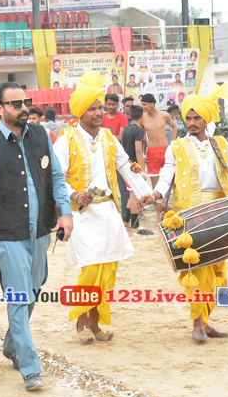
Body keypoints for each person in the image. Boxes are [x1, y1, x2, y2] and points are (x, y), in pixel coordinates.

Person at [0, 82, 74, 392]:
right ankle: (30, 369)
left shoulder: (41, 135)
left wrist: (66, 213)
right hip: (8, 235)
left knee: (35, 287)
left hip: (41, 231)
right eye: (16, 103)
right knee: (18, 298)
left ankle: (11, 343)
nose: (24, 107)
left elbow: (56, 178)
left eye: (25, 101)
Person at [151, 87, 228, 342]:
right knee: (197, 272)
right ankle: (198, 326)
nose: (192, 123)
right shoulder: (176, 147)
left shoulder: (221, 144)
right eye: (188, 118)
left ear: (206, 120)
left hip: (221, 214)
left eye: (197, 118)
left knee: (216, 273)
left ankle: (206, 322)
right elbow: (166, 177)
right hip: (189, 217)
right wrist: (155, 195)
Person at [53, 74, 154, 342]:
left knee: (108, 268)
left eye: (100, 108)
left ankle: (95, 324)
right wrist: (74, 195)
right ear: (80, 111)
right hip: (81, 215)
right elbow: (54, 177)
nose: (98, 113)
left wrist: (144, 193)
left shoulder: (108, 137)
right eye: (92, 108)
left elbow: (126, 166)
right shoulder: (66, 140)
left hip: (107, 211)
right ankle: (81, 320)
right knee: (91, 268)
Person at [138, 93, 177, 185]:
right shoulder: (142, 119)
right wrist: (142, 153)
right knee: (154, 181)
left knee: (170, 178)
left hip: (165, 149)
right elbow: (141, 137)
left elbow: (174, 127)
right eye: (141, 104)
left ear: (152, 104)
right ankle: (156, 195)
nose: (142, 107)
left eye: (144, 104)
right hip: (151, 151)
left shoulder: (164, 115)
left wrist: (172, 144)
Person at [119, 105, 147, 229]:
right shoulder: (138, 130)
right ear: (142, 116)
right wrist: (142, 170)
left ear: (130, 116)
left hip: (127, 165)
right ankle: (135, 225)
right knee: (135, 195)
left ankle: (125, 221)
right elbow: (138, 150)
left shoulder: (126, 129)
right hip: (134, 167)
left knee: (132, 195)